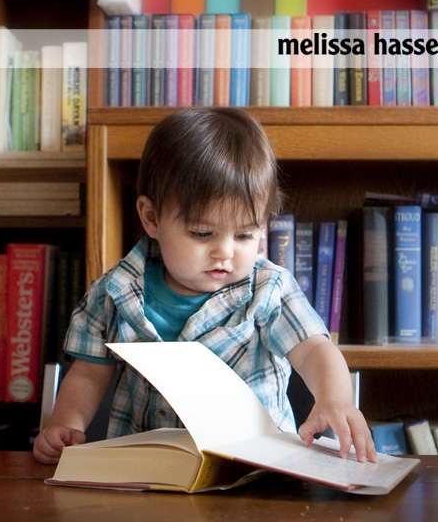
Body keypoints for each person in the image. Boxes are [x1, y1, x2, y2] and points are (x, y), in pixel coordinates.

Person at [34, 107, 376, 465]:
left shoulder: (268, 288)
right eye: (202, 233)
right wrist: (66, 427)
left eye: (245, 234)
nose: (224, 252)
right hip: (149, 470)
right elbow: (88, 374)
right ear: (151, 217)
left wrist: (334, 397)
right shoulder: (115, 291)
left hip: (252, 469)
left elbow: (313, 350)